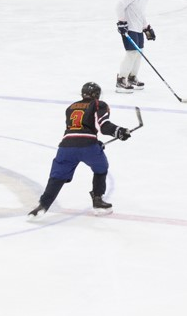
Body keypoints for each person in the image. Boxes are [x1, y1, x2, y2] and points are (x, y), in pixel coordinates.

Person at [27, 82, 132, 219]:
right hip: (88, 146)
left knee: (57, 176)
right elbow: (104, 126)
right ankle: (98, 200)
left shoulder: (71, 107)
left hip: (66, 147)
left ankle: (43, 205)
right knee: (101, 167)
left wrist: (96, 142)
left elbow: (78, 130)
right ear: (96, 95)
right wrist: (119, 131)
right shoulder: (98, 104)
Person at [114, 0, 154, 93]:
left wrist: (146, 27)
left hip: (138, 28)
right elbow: (119, 6)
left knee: (139, 52)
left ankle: (132, 77)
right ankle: (121, 79)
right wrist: (121, 22)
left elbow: (140, 13)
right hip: (129, 27)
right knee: (131, 53)